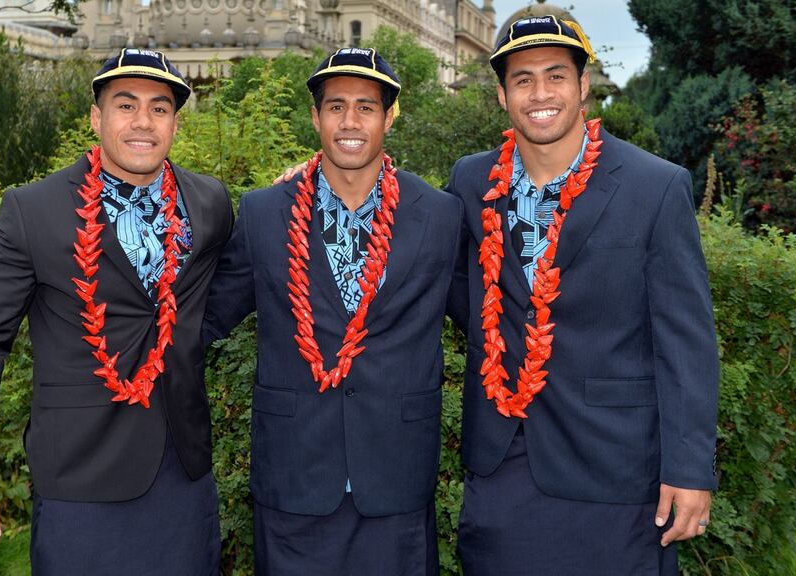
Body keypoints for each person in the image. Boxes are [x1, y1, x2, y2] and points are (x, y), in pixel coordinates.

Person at [444, 16, 720, 575]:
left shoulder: (656, 186)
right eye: (522, 80)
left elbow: (686, 341)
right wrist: (318, 182)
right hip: (503, 466)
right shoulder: (471, 182)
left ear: (582, 84)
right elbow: (435, 269)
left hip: (615, 468)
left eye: (555, 76)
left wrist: (691, 468)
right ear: (501, 94)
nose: (540, 93)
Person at [0, 48, 233, 575]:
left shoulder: (210, 203)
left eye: (160, 107)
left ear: (174, 123)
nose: (143, 121)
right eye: (125, 105)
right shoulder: (35, 212)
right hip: (79, 478)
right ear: (96, 117)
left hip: (182, 473)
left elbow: (223, 293)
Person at [202, 47, 462, 575]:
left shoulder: (440, 215)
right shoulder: (263, 213)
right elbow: (201, 318)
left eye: (366, 107)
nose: (350, 121)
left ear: (390, 117)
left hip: (397, 475)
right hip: (294, 478)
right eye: (336, 105)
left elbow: (491, 316)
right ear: (316, 116)